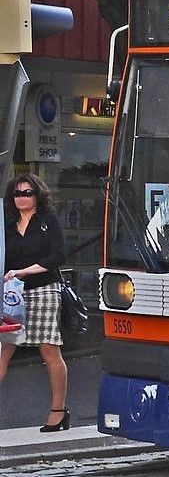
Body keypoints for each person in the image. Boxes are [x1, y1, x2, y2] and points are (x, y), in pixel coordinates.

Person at [0, 173, 70, 432]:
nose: (21, 198)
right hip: (11, 293)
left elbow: (59, 255)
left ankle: (58, 410)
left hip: (43, 289)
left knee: (49, 349)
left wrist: (25, 271)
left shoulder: (47, 220)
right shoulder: (7, 223)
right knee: (4, 348)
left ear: (37, 194)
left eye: (27, 192)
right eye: (17, 193)